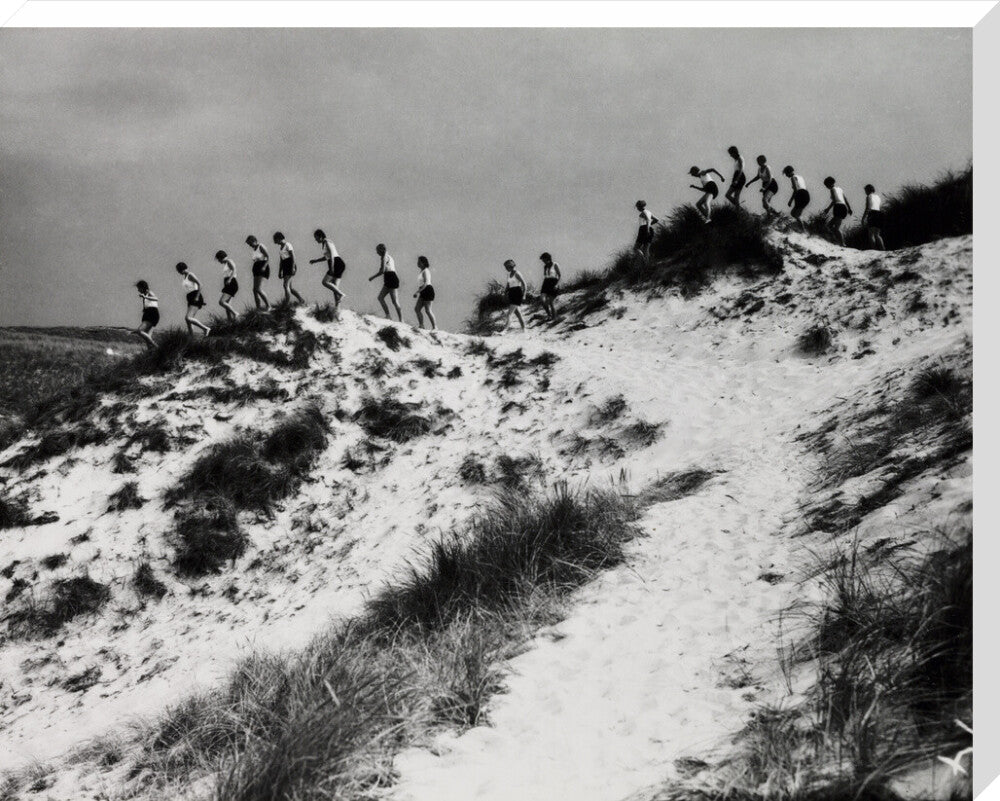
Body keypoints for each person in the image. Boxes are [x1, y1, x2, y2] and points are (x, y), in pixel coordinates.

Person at [309, 229, 346, 309]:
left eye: (316, 238)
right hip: (338, 263)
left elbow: (332, 255)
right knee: (335, 288)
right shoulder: (324, 243)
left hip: (336, 263)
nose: (315, 240)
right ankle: (337, 309)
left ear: (321, 237)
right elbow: (326, 257)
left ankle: (341, 294)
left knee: (325, 282)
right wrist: (315, 261)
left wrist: (332, 267)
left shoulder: (327, 242)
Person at [368, 243, 403, 321]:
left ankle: (401, 319)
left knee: (394, 301)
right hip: (389, 278)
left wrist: (372, 277)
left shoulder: (385, 257)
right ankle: (388, 315)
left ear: (381, 250)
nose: (377, 252)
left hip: (391, 278)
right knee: (380, 297)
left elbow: (382, 271)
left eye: (377, 251)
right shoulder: (389, 257)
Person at [176, 262, 211, 337]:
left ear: (181, 269)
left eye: (178, 270)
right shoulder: (185, 277)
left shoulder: (190, 275)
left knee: (188, 318)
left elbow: (200, 284)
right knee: (189, 320)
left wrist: (197, 297)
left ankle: (205, 329)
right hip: (190, 297)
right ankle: (191, 338)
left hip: (195, 295)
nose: (178, 272)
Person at [274, 232, 305, 305]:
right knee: (290, 287)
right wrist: (280, 271)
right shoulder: (280, 248)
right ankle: (301, 299)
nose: (275, 242)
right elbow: (281, 261)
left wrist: (293, 267)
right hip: (284, 265)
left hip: (290, 264)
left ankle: (286, 302)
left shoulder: (288, 245)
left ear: (279, 238)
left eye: (276, 240)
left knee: (285, 285)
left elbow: (293, 256)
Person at [822, 176, 853, 247]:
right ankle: (835, 241)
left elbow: (834, 200)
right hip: (844, 207)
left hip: (838, 207)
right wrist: (849, 208)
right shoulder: (840, 189)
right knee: (829, 226)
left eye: (826, 185)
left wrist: (828, 209)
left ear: (828, 184)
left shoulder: (832, 189)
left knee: (836, 228)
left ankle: (842, 243)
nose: (826, 187)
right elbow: (845, 199)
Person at [245, 235, 271, 311]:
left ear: (254, 241)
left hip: (262, 266)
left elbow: (268, 257)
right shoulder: (254, 250)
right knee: (254, 290)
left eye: (250, 243)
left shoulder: (260, 246)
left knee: (258, 289)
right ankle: (258, 308)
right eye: (249, 244)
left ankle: (268, 306)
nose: (250, 245)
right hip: (256, 267)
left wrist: (264, 267)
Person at [502, 259, 527, 332]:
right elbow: (508, 285)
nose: (505, 268)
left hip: (517, 293)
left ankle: (505, 330)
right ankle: (524, 329)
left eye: (506, 267)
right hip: (511, 293)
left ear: (510, 266)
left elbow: (524, 284)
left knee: (509, 314)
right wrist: (505, 294)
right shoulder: (509, 275)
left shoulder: (517, 273)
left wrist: (524, 294)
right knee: (518, 313)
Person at [783, 166, 810, 232]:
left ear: (788, 172)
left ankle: (803, 229)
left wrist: (791, 200)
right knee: (795, 213)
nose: (786, 176)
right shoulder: (800, 177)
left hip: (800, 194)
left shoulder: (793, 178)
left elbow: (796, 189)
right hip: (806, 194)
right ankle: (802, 228)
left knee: (795, 214)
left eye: (786, 174)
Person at [413, 256, 436, 330]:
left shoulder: (426, 271)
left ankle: (435, 327)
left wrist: (417, 292)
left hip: (428, 290)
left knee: (428, 310)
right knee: (417, 309)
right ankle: (421, 325)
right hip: (423, 291)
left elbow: (426, 283)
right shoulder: (422, 271)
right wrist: (419, 291)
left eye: (419, 262)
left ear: (423, 263)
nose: (418, 263)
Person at [215, 250, 239, 321]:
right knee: (227, 305)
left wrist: (229, 279)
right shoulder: (226, 263)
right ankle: (230, 321)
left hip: (231, 283)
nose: (219, 261)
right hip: (228, 283)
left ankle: (235, 313)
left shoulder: (229, 261)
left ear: (220, 257)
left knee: (221, 302)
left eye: (218, 259)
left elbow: (234, 269)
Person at [135, 280, 159, 350]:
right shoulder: (144, 295)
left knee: (140, 331)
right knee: (147, 336)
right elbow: (147, 304)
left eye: (139, 288)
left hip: (152, 314)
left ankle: (157, 347)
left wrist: (145, 297)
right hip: (148, 313)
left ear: (142, 287)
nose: (138, 290)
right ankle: (151, 352)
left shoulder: (149, 292)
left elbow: (156, 298)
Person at [862, 184, 886, 251]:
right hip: (879, 213)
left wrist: (864, 218)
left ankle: (874, 249)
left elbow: (868, 207)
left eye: (865, 190)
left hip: (872, 213)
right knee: (877, 234)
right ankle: (883, 249)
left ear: (867, 190)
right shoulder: (878, 197)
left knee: (871, 234)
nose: (865, 192)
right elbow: (879, 206)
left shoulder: (869, 196)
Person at [539, 252, 561, 321]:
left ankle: (554, 318)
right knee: (542, 300)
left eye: (543, 259)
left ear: (547, 258)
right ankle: (549, 314)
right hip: (546, 283)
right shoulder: (545, 266)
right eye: (542, 260)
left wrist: (557, 284)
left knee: (551, 302)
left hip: (553, 282)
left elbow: (559, 275)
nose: (543, 261)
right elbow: (545, 276)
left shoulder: (555, 264)